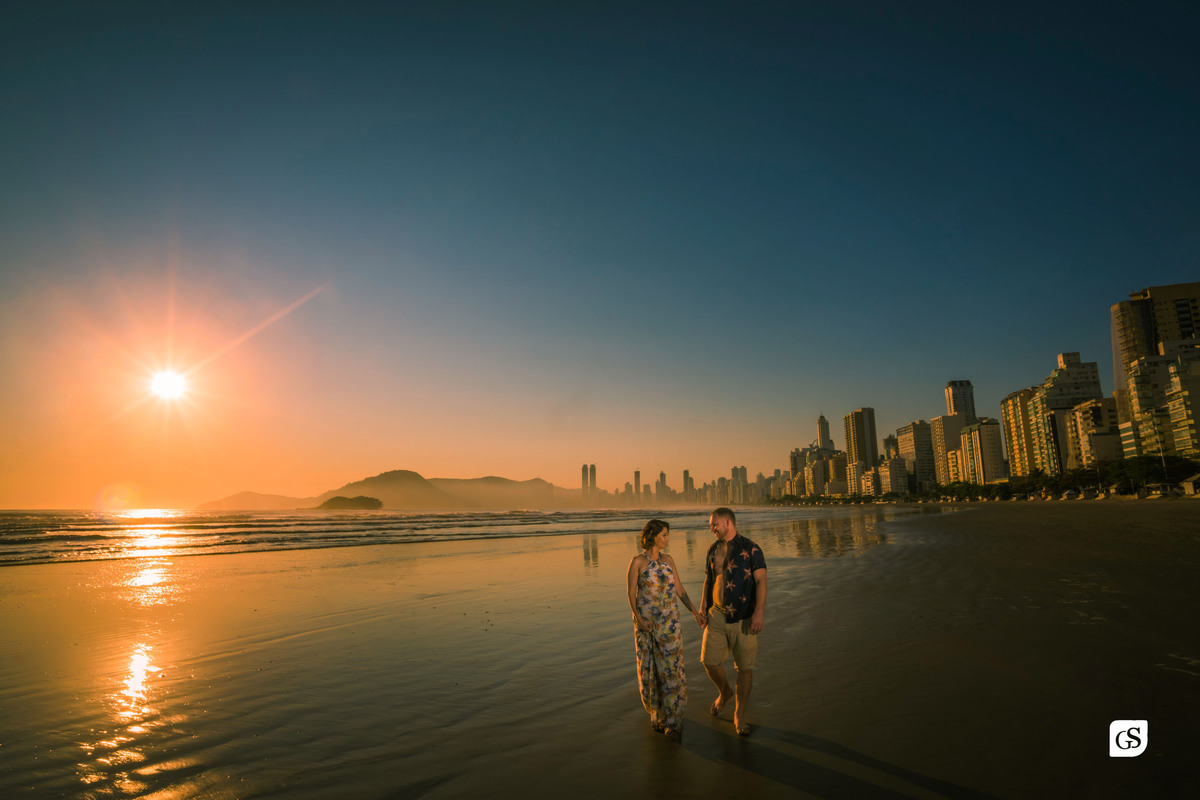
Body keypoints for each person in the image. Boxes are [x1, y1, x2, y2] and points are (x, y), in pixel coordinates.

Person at [626, 518, 705, 740]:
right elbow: (631, 594)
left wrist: (695, 613)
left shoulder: (668, 560)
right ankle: (658, 716)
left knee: (672, 670)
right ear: (652, 536)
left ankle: (674, 722)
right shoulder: (637, 563)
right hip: (646, 626)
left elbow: (679, 589)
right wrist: (639, 619)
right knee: (650, 671)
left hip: (670, 625)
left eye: (667, 534)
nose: (667, 539)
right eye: (664, 535)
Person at [699, 507, 767, 736]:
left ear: (728, 522)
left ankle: (739, 715)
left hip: (744, 617)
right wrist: (702, 608)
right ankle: (724, 692)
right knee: (708, 661)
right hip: (716, 614)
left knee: (744, 668)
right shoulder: (712, 549)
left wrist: (759, 612)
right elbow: (708, 581)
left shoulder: (751, 548)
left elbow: (761, 582)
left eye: (714, 524)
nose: (712, 529)